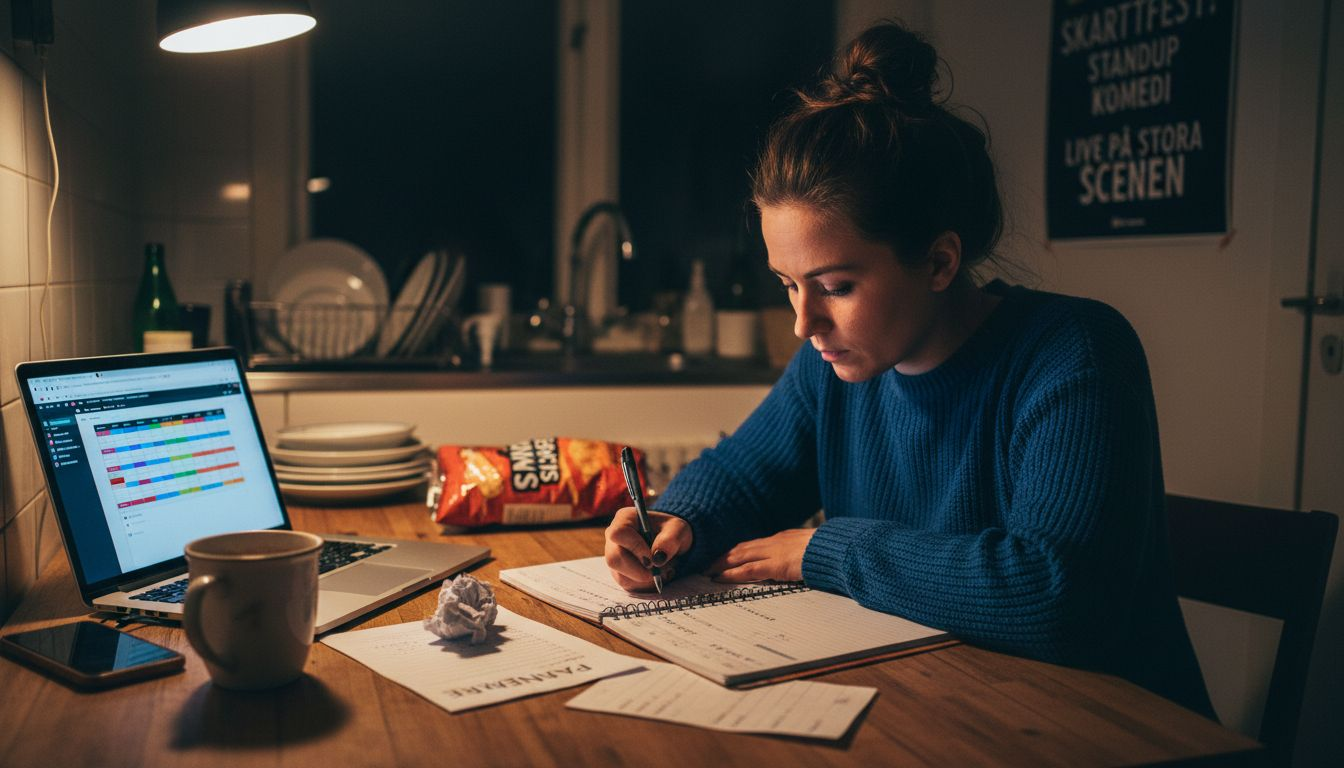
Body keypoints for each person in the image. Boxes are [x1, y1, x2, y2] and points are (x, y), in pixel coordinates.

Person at [604, 21, 1214, 717]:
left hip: (1117, 735)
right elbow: (745, 475)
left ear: (939, 262)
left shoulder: (1075, 352)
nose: (806, 324)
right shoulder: (832, 365)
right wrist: (677, 521)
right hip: (950, 711)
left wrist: (824, 551)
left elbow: (1054, 595)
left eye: (835, 286)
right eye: (788, 285)